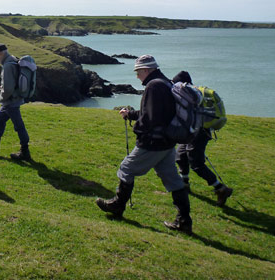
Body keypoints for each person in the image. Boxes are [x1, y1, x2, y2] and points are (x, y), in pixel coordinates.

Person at [95, 55, 193, 234]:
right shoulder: (164, 83)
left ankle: (118, 206)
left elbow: (150, 118)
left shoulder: (153, 86)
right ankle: (184, 220)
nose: (137, 76)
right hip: (167, 142)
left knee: (126, 168)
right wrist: (131, 114)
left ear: (147, 70)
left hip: (153, 142)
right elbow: (153, 111)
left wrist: (138, 130)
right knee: (172, 179)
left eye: (138, 72)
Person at [172, 70, 233, 207]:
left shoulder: (190, 95)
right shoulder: (195, 93)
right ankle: (184, 183)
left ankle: (220, 188)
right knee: (181, 155)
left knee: (196, 163)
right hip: (193, 130)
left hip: (200, 132)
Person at [0, 43, 32, 161]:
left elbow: (8, 88)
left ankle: (25, 151)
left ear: (1, 53)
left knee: (19, 125)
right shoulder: (14, 59)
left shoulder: (8, 65)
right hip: (15, 98)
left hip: (11, 101)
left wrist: (2, 98)